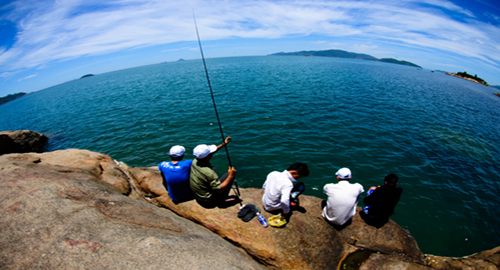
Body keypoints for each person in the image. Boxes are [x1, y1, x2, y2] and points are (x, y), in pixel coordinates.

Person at [189, 136, 237, 207]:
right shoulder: (209, 173)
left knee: (214, 169)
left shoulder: (195, 161)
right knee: (228, 175)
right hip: (208, 200)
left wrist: (223, 144)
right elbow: (219, 190)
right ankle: (221, 200)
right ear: (208, 156)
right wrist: (230, 176)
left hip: (198, 195)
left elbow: (209, 153)